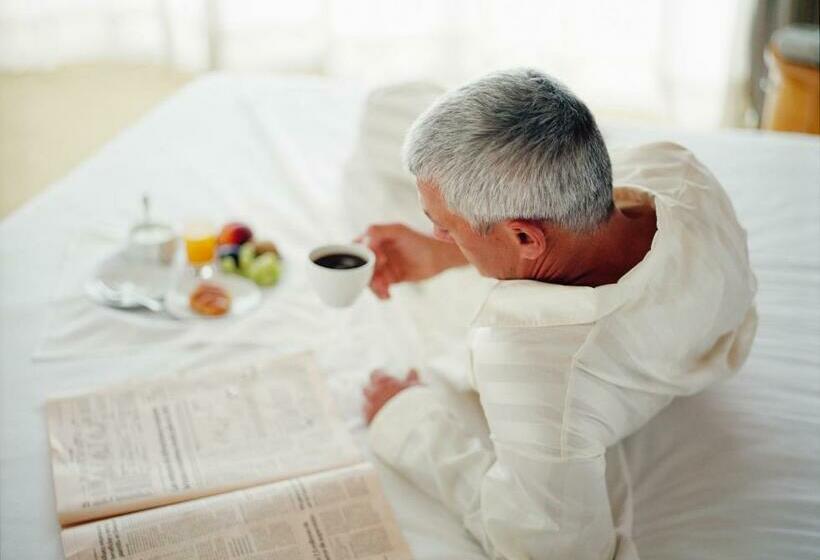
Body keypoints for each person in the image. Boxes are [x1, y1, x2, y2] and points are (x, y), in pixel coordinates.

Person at [359, 68, 757, 559]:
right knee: (386, 109)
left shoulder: (537, 369)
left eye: (445, 227)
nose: (438, 235)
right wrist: (445, 252)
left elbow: (549, 547)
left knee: (381, 109)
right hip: (682, 323)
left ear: (525, 239)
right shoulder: (674, 169)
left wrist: (402, 419)